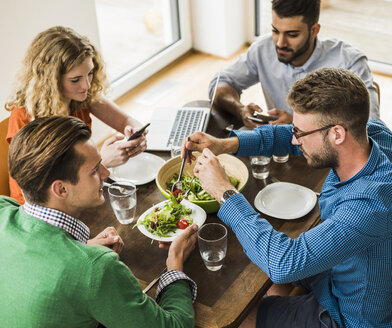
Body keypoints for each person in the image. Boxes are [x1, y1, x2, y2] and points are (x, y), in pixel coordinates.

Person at [184, 68, 392, 327]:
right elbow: (286, 136)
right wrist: (226, 145)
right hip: (338, 271)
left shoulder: (370, 206)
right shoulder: (373, 133)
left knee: (239, 315)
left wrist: (224, 193)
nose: (294, 140)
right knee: (259, 263)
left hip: (350, 316)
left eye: (301, 134)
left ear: (337, 134)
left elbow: (283, 263)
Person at [0, 116, 198, 327]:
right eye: (95, 170)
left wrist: (82, 248)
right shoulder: (97, 269)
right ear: (61, 189)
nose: (106, 172)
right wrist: (174, 263)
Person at [5, 26, 147, 204]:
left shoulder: (81, 96)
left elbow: (127, 121)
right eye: (76, 79)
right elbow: (40, 188)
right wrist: (101, 162)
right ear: (52, 80)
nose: (86, 85)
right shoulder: (25, 116)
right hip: (42, 207)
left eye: (90, 73)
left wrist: (135, 134)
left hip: (78, 192)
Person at [209, 0, 380, 129]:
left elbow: (370, 127)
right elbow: (220, 82)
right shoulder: (263, 49)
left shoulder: (349, 62)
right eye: (276, 31)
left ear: (314, 30)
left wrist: (297, 124)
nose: (280, 43)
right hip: (282, 152)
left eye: (292, 34)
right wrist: (239, 109)